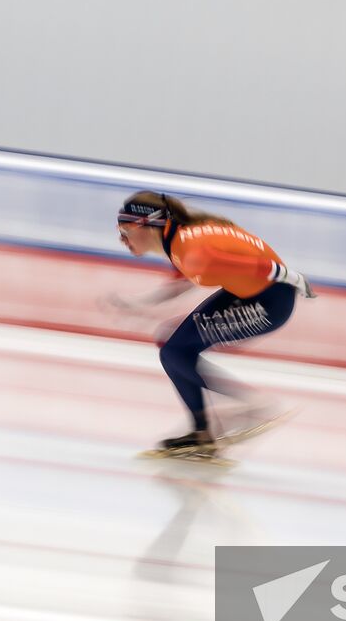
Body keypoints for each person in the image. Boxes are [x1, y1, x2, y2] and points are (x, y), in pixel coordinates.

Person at [110, 191, 315, 457]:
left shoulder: (192, 250)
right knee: (170, 344)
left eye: (125, 229)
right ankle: (203, 432)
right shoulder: (179, 241)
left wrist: (297, 280)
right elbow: (179, 284)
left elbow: (259, 266)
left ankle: (253, 406)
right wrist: (138, 305)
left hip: (270, 304)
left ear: (149, 225)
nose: (121, 238)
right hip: (250, 294)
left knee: (174, 351)